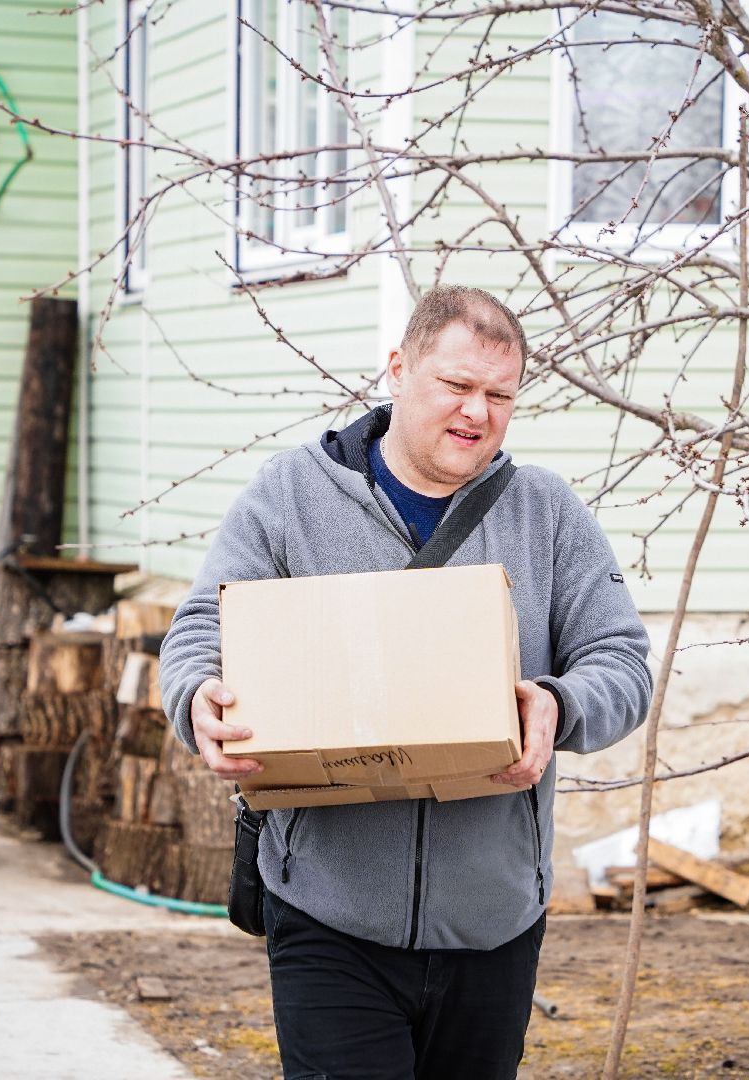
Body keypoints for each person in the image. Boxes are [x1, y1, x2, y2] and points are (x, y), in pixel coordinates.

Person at [159, 284, 654, 1079]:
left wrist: (559, 704)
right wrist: (196, 699)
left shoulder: (547, 514)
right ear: (398, 369)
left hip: (493, 924)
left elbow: (623, 663)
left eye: (500, 395)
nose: (477, 413)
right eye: (457, 386)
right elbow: (197, 633)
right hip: (329, 912)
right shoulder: (292, 493)